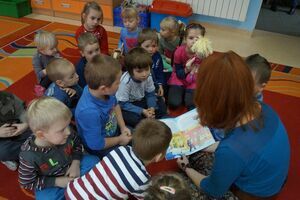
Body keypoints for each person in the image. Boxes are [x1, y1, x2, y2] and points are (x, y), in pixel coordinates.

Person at [177, 51, 290, 199]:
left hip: (251, 194)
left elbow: (213, 191)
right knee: (200, 154)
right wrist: (204, 146)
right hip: (268, 179)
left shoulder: (232, 149)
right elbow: (243, 147)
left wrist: (186, 169)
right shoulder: (262, 107)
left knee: (175, 187)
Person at [65, 119, 172, 200]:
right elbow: (147, 197)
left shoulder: (121, 149)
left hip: (72, 190)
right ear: (158, 157)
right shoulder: (141, 179)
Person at [18, 97, 99, 200]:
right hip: (53, 182)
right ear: (42, 135)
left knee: (94, 161)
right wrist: (58, 181)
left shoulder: (66, 134)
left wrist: (75, 163)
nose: (68, 132)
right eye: (62, 130)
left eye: (68, 125)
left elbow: (77, 145)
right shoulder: (28, 156)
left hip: (73, 167)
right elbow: (27, 182)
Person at [75, 55, 132, 158]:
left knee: (138, 138)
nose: (120, 84)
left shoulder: (102, 91)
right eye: (118, 82)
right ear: (104, 89)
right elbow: (97, 144)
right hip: (101, 146)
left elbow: (115, 105)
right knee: (126, 158)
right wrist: (120, 139)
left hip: (114, 133)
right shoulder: (89, 112)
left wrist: (123, 127)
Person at [116, 47, 167, 128]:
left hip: (142, 99)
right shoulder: (125, 82)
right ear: (130, 71)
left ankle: (155, 119)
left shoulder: (148, 76)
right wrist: (142, 111)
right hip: (129, 104)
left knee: (160, 102)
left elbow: (150, 94)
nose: (144, 74)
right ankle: (146, 122)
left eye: (147, 69)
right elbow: (122, 104)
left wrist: (151, 108)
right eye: (139, 71)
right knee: (133, 118)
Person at [168, 23, 206, 111]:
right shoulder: (179, 52)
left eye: (198, 39)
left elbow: (205, 72)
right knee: (174, 103)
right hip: (179, 78)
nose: (194, 41)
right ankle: (182, 92)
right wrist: (186, 69)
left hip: (194, 79)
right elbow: (179, 74)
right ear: (185, 39)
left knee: (191, 104)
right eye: (191, 38)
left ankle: (187, 94)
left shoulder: (204, 53)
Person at [0, 91, 31, 171]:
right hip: (2, 141)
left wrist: (25, 124)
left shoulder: (6, 96)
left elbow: (22, 111)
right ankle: (33, 148)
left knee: (40, 125)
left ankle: (29, 148)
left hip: (18, 128)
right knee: (3, 152)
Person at [138, 28, 164, 97]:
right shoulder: (137, 57)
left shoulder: (157, 56)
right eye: (147, 46)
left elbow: (159, 72)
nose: (151, 49)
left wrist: (160, 85)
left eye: (154, 46)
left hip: (154, 84)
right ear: (140, 45)